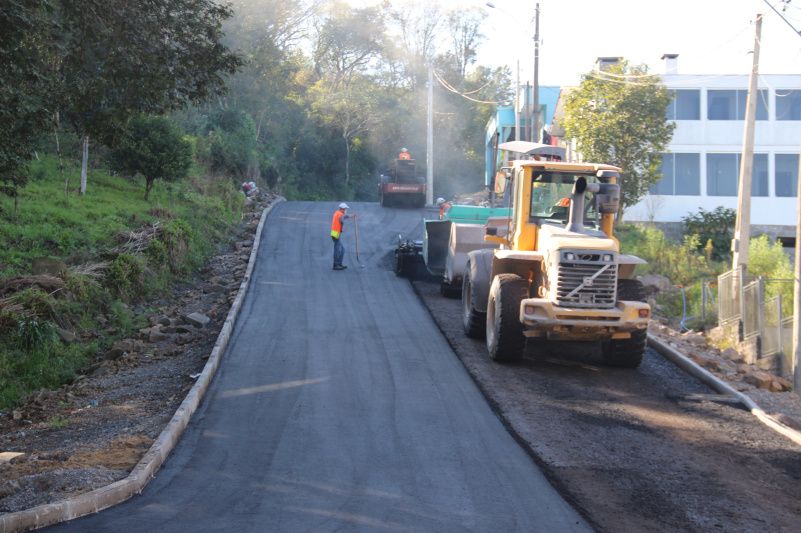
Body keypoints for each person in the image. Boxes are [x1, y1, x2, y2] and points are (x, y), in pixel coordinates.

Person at [330, 202, 355, 270]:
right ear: (342, 209)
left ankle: (339, 264)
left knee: (342, 250)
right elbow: (342, 219)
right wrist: (348, 217)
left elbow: (343, 217)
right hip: (336, 234)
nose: (346, 210)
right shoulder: (340, 214)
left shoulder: (337, 213)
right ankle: (336, 265)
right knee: (338, 250)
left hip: (335, 233)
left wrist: (350, 216)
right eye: (345, 209)